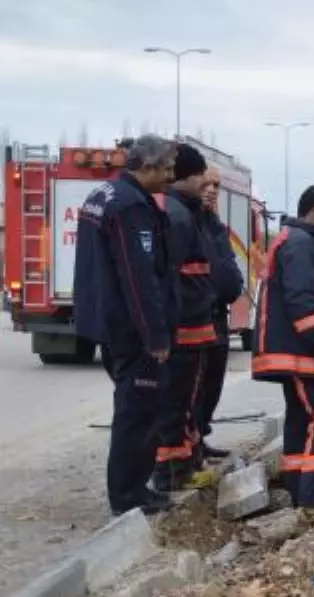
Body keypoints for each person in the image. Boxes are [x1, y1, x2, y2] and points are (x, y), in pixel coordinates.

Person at [72, 134, 178, 516]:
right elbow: (139, 278)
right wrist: (156, 335)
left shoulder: (103, 194)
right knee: (138, 414)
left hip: (109, 321)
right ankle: (130, 496)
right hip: (132, 330)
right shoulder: (131, 207)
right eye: (166, 168)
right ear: (146, 166)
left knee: (133, 409)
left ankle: (131, 490)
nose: (170, 176)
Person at [251, 185, 314, 511]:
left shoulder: (296, 241)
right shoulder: (302, 244)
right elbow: (302, 301)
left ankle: (299, 491)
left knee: (302, 420)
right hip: (308, 356)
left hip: (298, 355)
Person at [151, 143, 220, 492]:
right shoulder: (177, 216)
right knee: (176, 403)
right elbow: (172, 278)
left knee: (185, 402)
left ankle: (183, 467)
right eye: (199, 177)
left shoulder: (185, 213)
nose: (203, 183)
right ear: (187, 176)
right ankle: (170, 474)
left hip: (192, 326)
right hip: (185, 329)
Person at [195, 166, 246, 460]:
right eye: (207, 184)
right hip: (199, 316)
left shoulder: (212, 222)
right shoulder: (185, 220)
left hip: (217, 317)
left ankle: (200, 436)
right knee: (196, 387)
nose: (213, 190)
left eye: (216, 185)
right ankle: (188, 448)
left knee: (211, 385)